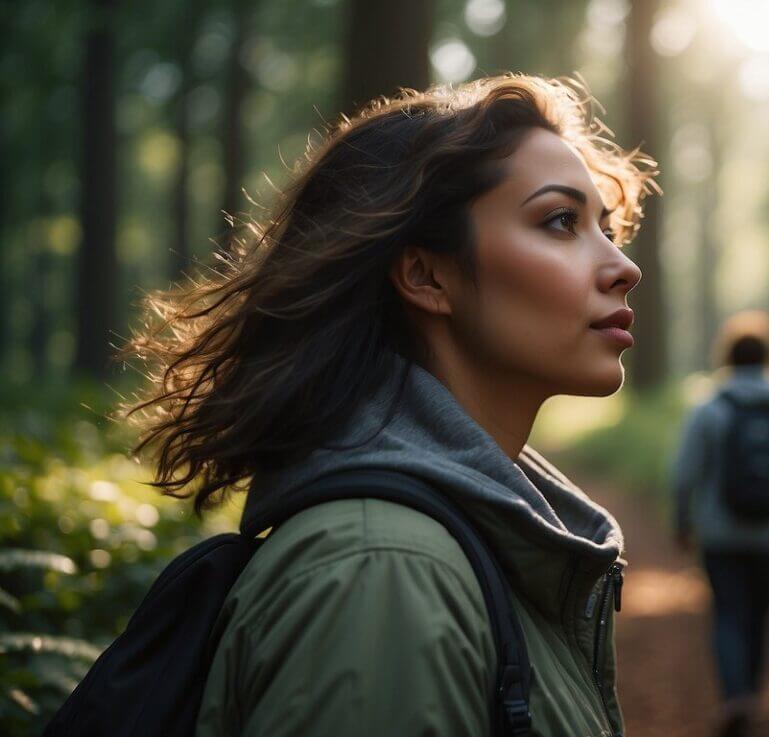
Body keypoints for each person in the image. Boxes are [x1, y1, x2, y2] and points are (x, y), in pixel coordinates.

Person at [122, 74, 654, 737]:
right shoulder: (384, 574)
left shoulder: (460, 544)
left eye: (605, 227)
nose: (622, 265)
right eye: (558, 222)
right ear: (426, 275)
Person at [669, 310, 769, 737]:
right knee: (760, 616)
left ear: (729, 356)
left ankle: (735, 697)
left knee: (729, 614)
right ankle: (751, 698)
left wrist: (682, 521)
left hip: (720, 535)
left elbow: (684, 472)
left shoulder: (710, 406)